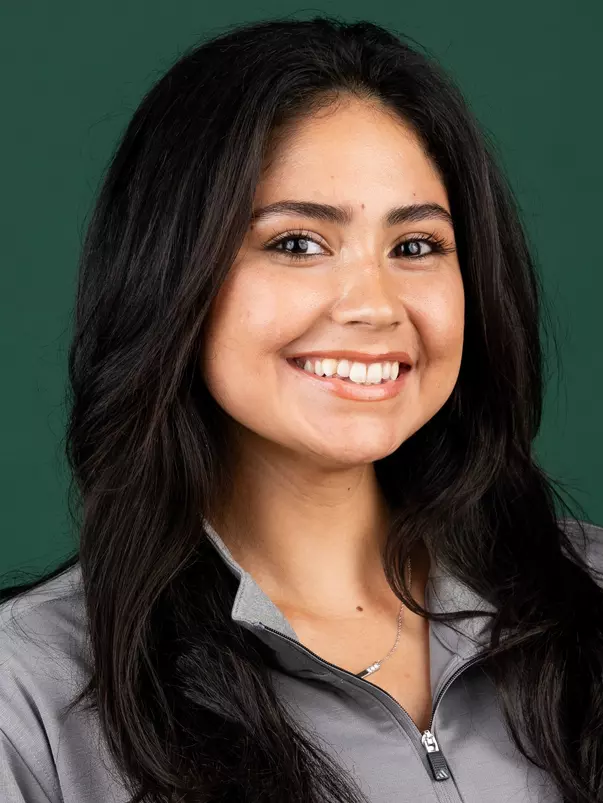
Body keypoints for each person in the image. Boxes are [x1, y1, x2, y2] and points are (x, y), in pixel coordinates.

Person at [1, 15, 602, 803]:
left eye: (416, 245)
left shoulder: (587, 590)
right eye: (295, 243)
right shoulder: (29, 694)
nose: (372, 306)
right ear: (169, 274)